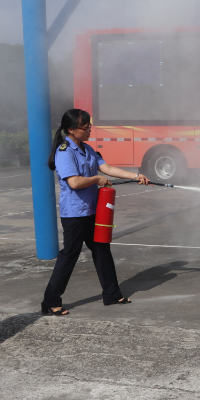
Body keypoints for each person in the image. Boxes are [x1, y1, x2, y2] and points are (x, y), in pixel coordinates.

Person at [41, 109, 150, 316]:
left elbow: (107, 168)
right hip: (74, 214)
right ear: (71, 130)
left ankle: (111, 294)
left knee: (102, 251)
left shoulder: (87, 149)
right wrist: (96, 179)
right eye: (85, 126)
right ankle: (50, 300)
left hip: (92, 211)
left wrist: (136, 176)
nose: (90, 129)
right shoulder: (65, 151)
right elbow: (74, 182)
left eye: (89, 125)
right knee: (69, 256)